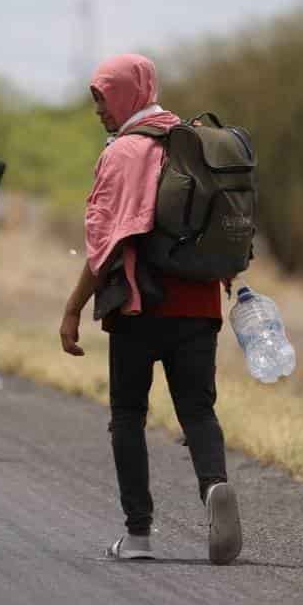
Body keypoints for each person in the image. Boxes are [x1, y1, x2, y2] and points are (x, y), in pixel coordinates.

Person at [58, 53, 242, 565]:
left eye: (102, 99)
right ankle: (213, 488)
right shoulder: (194, 142)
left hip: (140, 308)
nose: (99, 111)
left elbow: (105, 247)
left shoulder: (124, 153)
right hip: (199, 305)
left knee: (128, 416)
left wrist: (73, 309)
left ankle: (138, 535)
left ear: (125, 93)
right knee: (198, 411)